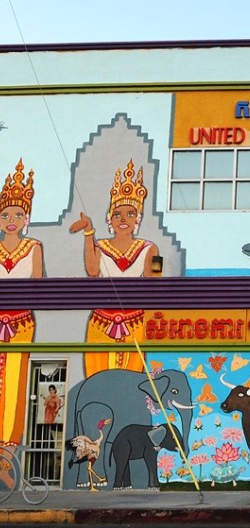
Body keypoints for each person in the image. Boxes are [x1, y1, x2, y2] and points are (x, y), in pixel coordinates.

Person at [70, 160, 160, 375]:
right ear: (110, 219)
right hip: (101, 320)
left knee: (132, 377)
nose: (123, 219)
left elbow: (156, 281)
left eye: (130, 214)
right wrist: (88, 233)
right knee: (96, 376)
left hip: (135, 320)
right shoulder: (100, 245)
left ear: (137, 219)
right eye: (117, 214)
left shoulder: (151, 248)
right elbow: (93, 271)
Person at [0, 159, 43, 445]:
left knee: (16, 378)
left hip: (21, 321)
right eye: (5, 214)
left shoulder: (33, 247)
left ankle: (9, 443)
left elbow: (37, 285)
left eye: (18, 214)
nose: (11, 219)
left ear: (26, 218)